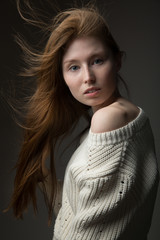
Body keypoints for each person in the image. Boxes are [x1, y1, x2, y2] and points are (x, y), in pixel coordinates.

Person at [6, 3, 159, 240]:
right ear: (63, 76)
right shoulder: (130, 118)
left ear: (117, 61)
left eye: (97, 60)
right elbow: (79, 213)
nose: (88, 77)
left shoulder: (109, 119)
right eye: (74, 67)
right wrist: (43, 175)